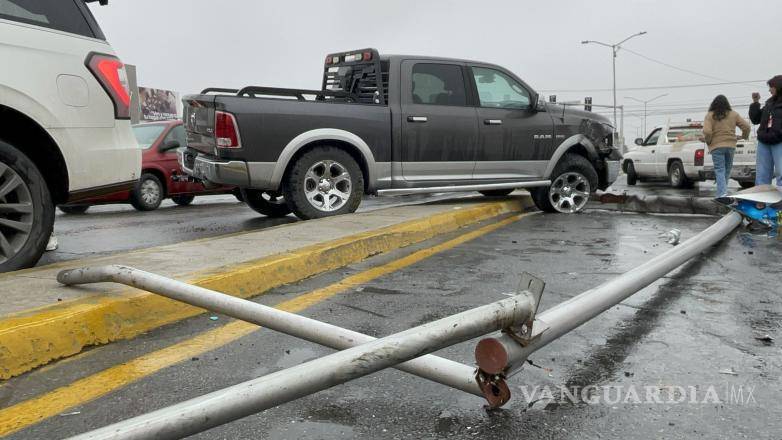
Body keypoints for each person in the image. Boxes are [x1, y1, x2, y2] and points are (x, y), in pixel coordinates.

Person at [702, 95, 751, 197]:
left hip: (717, 147)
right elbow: (746, 127)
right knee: (727, 170)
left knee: (720, 170)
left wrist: (709, 141)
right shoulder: (733, 114)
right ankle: (723, 193)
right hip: (730, 146)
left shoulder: (710, 115)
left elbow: (707, 131)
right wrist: (743, 136)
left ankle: (722, 194)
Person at [749, 75, 782, 188]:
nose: (769, 90)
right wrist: (755, 102)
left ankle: (780, 200)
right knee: (762, 175)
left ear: (778, 87)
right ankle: (761, 200)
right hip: (764, 141)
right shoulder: (769, 104)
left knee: (781, 173)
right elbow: (755, 119)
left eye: (771, 87)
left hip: (779, 142)